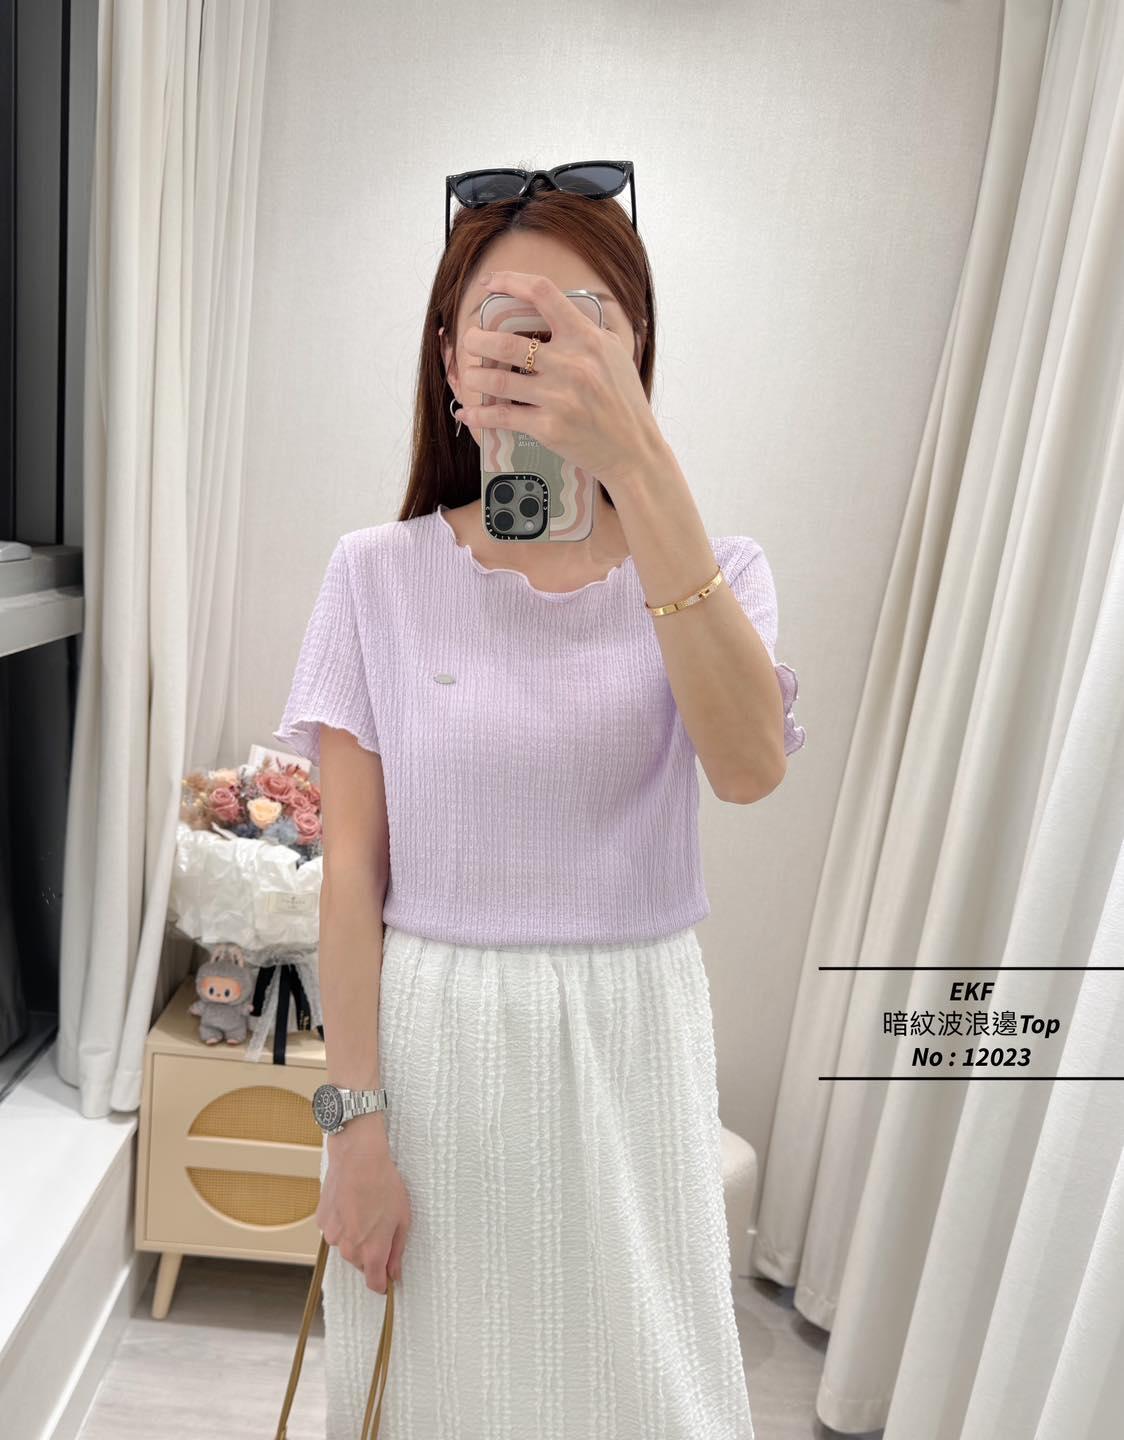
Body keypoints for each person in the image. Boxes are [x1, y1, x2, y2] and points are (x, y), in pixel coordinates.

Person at [273, 163, 805, 1440]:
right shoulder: (374, 576)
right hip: (435, 1046)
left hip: (632, 1036)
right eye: (507, 323)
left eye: (584, 322)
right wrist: (353, 1134)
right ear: (449, 362)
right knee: (438, 1391)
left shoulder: (720, 570)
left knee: (645, 1394)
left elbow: (746, 767)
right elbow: (350, 883)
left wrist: (642, 469)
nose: (541, 352)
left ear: (636, 351)